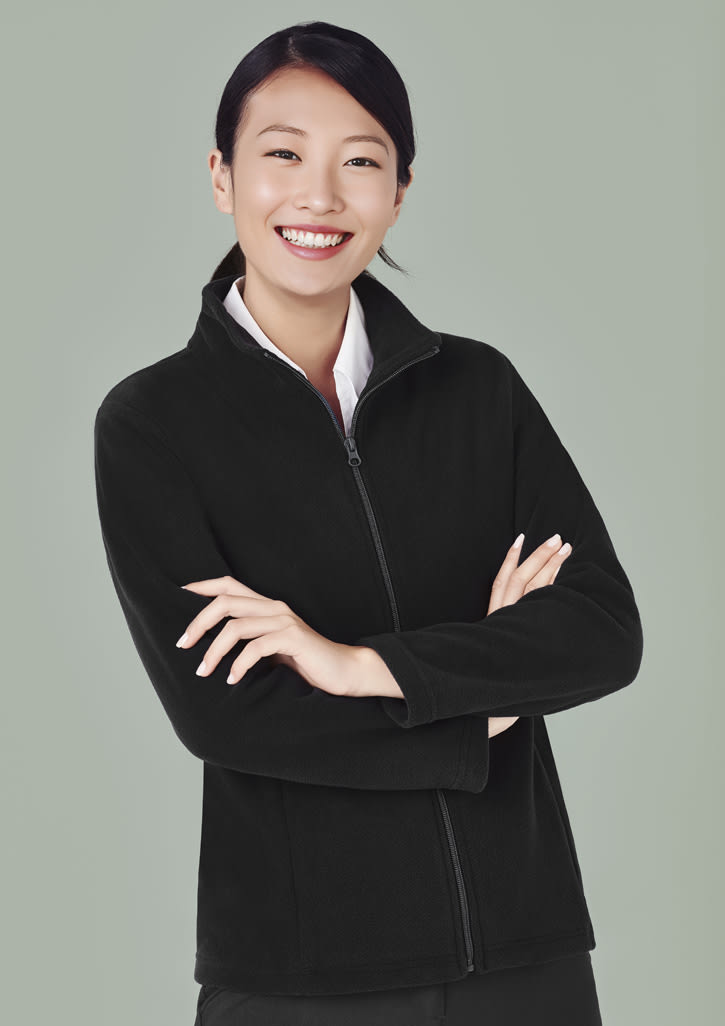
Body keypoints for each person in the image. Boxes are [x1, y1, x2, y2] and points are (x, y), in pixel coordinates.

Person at [93, 20, 643, 1026]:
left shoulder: (478, 390)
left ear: (399, 190)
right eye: (282, 155)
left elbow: (599, 631)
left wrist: (356, 665)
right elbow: (229, 715)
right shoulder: (153, 425)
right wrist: (479, 710)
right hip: (298, 979)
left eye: (359, 161)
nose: (319, 196)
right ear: (221, 177)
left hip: (525, 958)